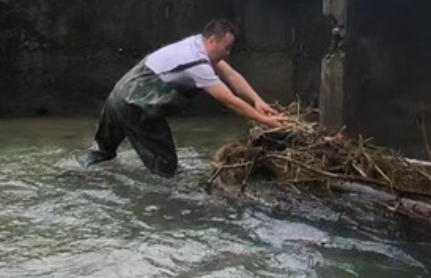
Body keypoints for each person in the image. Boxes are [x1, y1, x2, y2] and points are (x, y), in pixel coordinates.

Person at [80, 19, 285, 177]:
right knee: (166, 169)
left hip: (119, 93)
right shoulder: (197, 63)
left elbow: (231, 76)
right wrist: (264, 120)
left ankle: (74, 175)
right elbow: (229, 100)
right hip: (136, 105)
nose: (227, 53)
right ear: (212, 40)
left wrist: (258, 101)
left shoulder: (196, 44)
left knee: (100, 153)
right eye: (226, 48)